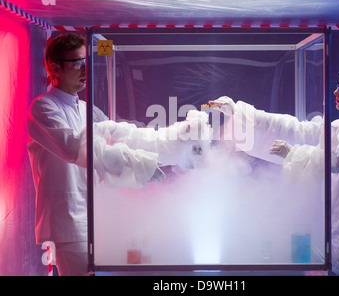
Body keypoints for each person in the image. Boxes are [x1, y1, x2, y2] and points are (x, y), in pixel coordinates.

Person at [27, 33, 210, 276]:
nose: (85, 69)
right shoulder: (43, 107)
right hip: (68, 223)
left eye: (86, 62)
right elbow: (77, 149)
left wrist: (178, 138)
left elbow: (127, 137)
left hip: (95, 219)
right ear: (55, 67)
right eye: (77, 63)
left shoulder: (85, 108)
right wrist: (136, 164)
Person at [210, 67, 339, 276]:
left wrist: (293, 153)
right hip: (330, 229)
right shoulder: (338, 126)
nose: (335, 93)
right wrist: (241, 113)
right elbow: (296, 129)